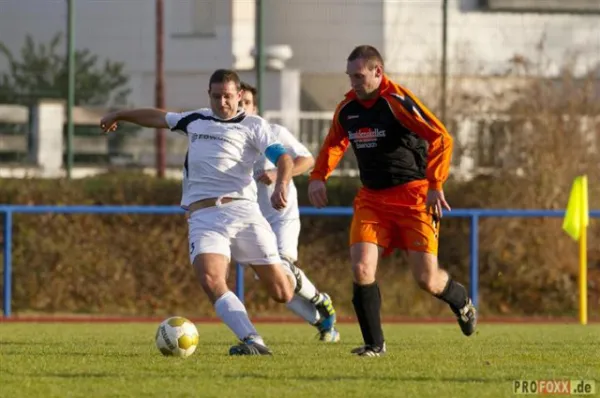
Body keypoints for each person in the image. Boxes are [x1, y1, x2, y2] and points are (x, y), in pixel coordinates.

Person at [100, 69, 297, 356]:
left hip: (243, 213)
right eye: (216, 96)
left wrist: (282, 183)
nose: (222, 102)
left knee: (283, 294)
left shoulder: (255, 126)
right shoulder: (196, 119)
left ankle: (293, 275)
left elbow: (285, 159)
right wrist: (120, 114)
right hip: (204, 217)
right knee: (210, 279)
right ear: (209, 95)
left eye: (228, 96)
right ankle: (253, 341)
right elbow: (158, 117)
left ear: (239, 95)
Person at [308, 45, 477, 357]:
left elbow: (441, 138)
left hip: (414, 197)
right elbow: (334, 142)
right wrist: (319, 176)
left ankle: (460, 299)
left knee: (427, 279)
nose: (354, 83)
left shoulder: (396, 101)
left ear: (377, 72)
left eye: (359, 76)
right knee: (361, 268)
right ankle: (375, 344)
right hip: (372, 200)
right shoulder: (347, 110)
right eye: (350, 77)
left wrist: (435, 184)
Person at [239, 82, 340, 343]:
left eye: (246, 102)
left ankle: (319, 301)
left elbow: (306, 160)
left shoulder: (272, 132)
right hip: (252, 222)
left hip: (281, 217)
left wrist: (278, 174)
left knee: (282, 267)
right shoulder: (229, 141)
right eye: (237, 102)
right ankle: (322, 321)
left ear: (255, 107)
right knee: (274, 283)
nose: (241, 107)